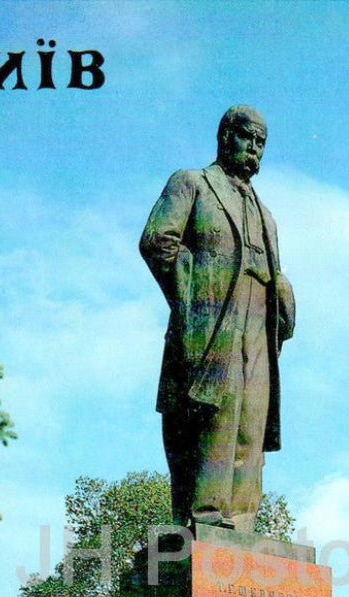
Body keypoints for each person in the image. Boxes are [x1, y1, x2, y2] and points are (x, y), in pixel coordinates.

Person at [140, 105, 295, 532]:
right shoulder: (191, 184)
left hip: (258, 329)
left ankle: (242, 524)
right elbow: (158, 241)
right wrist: (198, 302)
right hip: (212, 325)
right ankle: (203, 518)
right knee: (214, 418)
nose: (255, 149)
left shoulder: (267, 215)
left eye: (262, 143)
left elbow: (272, 269)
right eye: (249, 138)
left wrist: (282, 290)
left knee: (250, 422)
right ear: (226, 136)